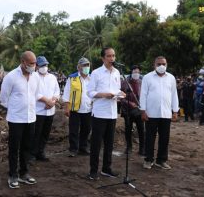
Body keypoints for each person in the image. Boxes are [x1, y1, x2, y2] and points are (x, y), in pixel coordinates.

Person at [0, 51, 41, 189]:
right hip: (16, 119)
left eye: (35, 63)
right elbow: (4, 99)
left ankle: (24, 173)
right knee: (14, 148)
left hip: (31, 118)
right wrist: (16, 109)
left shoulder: (35, 77)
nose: (34, 66)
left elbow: (35, 95)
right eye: (31, 63)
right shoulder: (11, 77)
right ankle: (13, 175)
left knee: (27, 147)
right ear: (23, 62)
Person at [86, 47, 126, 180]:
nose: (112, 59)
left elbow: (117, 90)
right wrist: (104, 95)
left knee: (109, 143)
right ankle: (93, 171)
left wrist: (120, 94)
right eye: (109, 56)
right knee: (96, 144)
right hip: (99, 114)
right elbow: (90, 92)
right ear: (103, 58)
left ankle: (106, 168)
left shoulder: (116, 73)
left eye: (113, 56)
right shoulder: (96, 73)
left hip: (112, 113)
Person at [140, 56, 179, 170]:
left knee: (164, 138)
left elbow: (174, 94)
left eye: (164, 64)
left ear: (166, 65)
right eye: (159, 64)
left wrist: (175, 111)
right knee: (150, 137)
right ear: (154, 65)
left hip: (166, 113)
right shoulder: (147, 77)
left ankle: (161, 160)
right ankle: (148, 159)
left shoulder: (171, 78)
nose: (161, 66)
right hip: (151, 113)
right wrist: (143, 110)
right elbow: (143, 94)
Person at [31, 56, 60, 161]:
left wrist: (53, 101)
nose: (44, 67)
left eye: (46, 65)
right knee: (36, 134)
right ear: (37, 66)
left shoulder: (52, 77)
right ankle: (32, 154)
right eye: (42, 65)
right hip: (38, 111)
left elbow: (57, 91)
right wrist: (46, 101)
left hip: (50, 111)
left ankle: (41, 152)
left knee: (45, 133)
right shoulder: (33, 76)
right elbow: (34, 92)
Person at [62, 57, 92, 157]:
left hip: (88, 109)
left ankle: (83, 147)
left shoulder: (92, 78)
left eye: (87, 65)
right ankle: (73, 149)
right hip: (75, 109)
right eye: (84, 65)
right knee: (74, 130)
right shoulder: (72, 78)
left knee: (86, 129)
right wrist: (67, 107)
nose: (86, 67)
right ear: (79, 67)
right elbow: (66, 93)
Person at [120, 65, 144, 155]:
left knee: (141, 130)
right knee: (128, 129)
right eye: (134, 72)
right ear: (131, 72)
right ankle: (129, 147)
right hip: (128, 111)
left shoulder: (142, 82)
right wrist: (129, 103)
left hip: (139, 110)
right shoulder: (125, 82)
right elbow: (121, 97)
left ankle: (142, 149)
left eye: (138, 72)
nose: (136, 74)